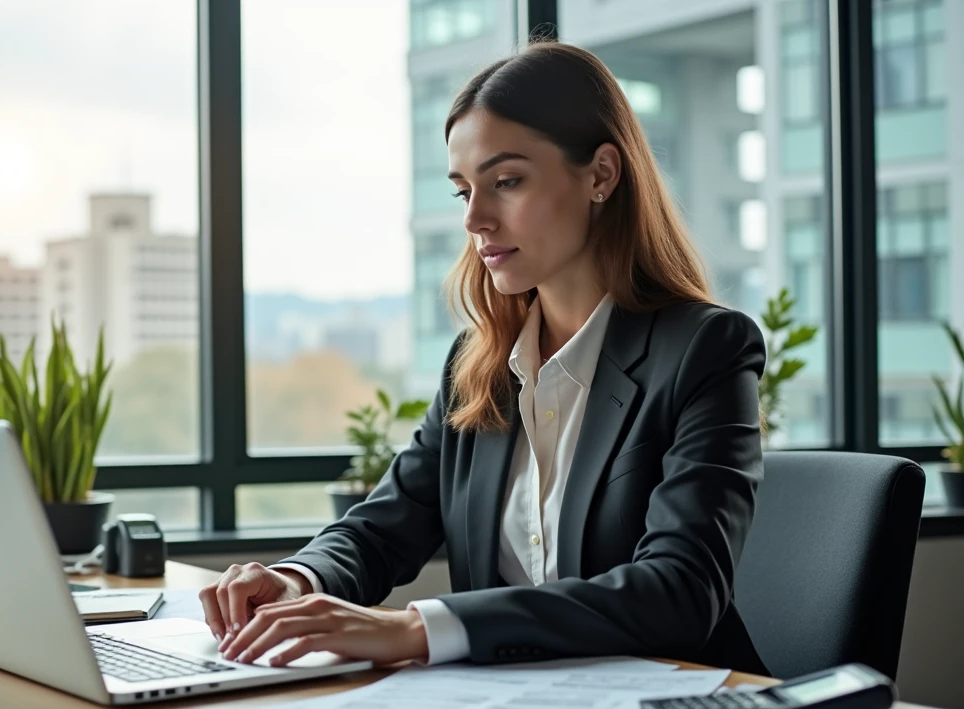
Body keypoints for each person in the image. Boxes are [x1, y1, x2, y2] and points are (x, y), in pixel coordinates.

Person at [199, 41, 768, 675]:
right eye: (463, 190)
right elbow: (385, 527)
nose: (475, 218)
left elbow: (681, 592)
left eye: (507, 182)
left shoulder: (704, 351)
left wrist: (417, 629)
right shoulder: (479, 366)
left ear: (601, 175)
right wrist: (297, 580)